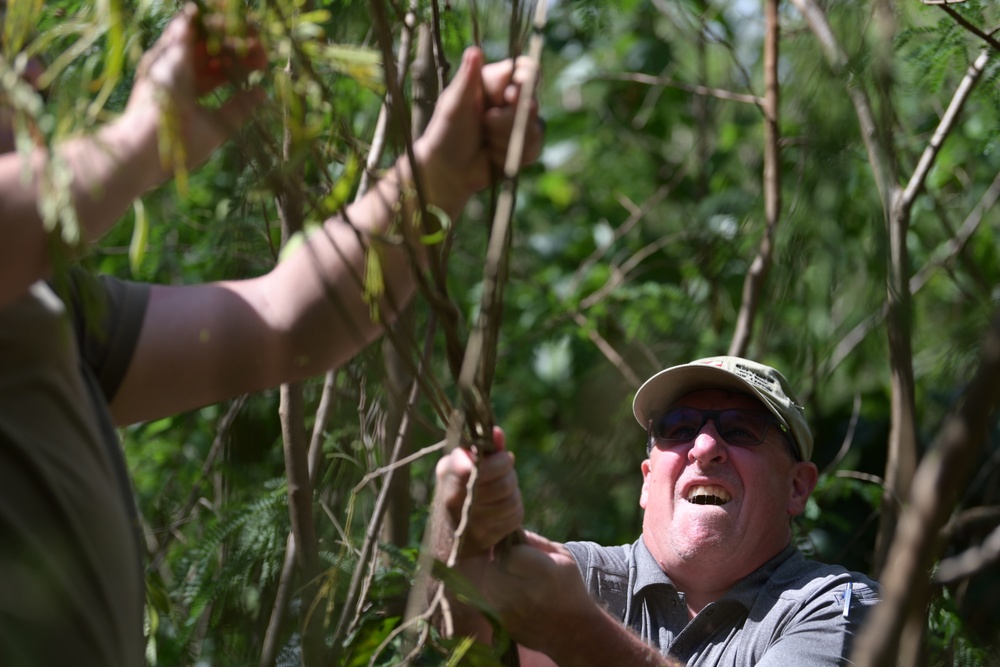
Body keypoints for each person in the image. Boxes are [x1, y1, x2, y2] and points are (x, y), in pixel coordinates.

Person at [0, 4, 542, 665]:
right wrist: (144, 134)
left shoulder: (46, 305)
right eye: (10, 54)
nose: (34, 73)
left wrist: (442, 173)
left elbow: (283, 322)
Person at [434, 356, 881, 666]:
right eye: (678, 427)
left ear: (797, 486)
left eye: (742, 430)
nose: (704, 448)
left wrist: (579, 635)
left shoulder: (839, 609)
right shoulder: (579, 579)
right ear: (647, 479)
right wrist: (459, 526)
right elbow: (457, 641)